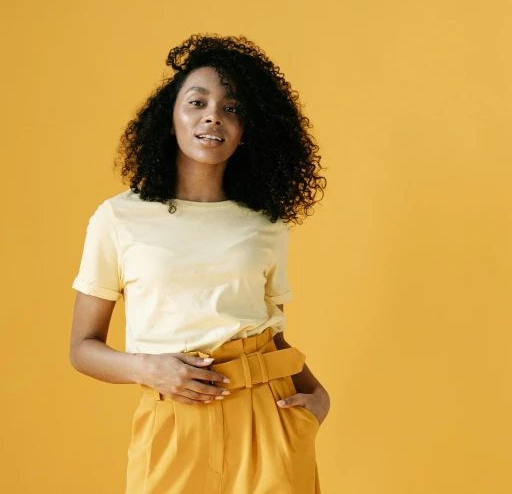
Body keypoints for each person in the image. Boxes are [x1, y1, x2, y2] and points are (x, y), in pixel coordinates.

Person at [69, 33, 329, 494]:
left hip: (268, 420)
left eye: (232, 107)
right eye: (198, 101)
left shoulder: (265, 224)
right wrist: (147, 369)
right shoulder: (118, 218)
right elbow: (83, 348)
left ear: (247, 129)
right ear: (170, 119)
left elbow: (273, 333)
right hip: (174, 420)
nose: (214, 114)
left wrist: (318, 397)